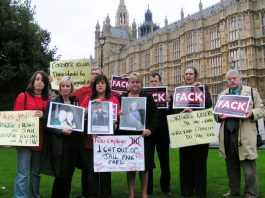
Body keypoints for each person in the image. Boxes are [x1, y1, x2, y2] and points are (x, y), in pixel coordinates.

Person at [216, 70, 265, 198]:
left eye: (234, 78)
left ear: (240, 79)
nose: (232, 81)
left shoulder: (251, 92)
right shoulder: (223, 94)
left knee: (249, 167)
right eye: (229, 79)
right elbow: (216, 114)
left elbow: (261, 109)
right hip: (228, 134)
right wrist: (219, 116)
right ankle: (234, 191)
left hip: (245, 133)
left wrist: (251, 113)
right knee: (231, 166)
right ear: (226, 81)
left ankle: (251, 193)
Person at [115, 72, 158, 198]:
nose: (134, 84)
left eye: (137, 82)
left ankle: (144, 193)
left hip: (143, 137)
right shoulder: (121, 99)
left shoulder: (148, 98)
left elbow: (155, 117)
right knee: (130, 167)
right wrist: (118, 114)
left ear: (141, 85)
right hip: (127, 136)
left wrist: (149, 129)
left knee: (144, 167)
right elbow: (114, 117)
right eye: (132, 82)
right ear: (128, 85)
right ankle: (131, 194)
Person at [80, 74, 120, 198]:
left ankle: (106, 194)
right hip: (91, 141)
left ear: (106, 85)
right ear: (95, 85)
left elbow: (116, 119)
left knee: (106, 170)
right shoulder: (88, 99)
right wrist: (90, 107)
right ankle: (93, 195)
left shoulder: (113, 99)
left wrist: (117, 117)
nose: (100, 85)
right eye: (98, 83)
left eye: (103, 83)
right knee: (92, 171)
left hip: (107, 141)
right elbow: (80, 113)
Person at [175, 66, 212, 198]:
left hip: (200, 130)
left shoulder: (203, 88)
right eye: (186, 74)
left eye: (191, 74)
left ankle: (200, 192)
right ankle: (186, 191)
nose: (188, 76)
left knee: (200, 163)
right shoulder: (179, 92)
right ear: (184, 77)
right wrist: (181, 111)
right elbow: (174, 111)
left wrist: (199, 89)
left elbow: (208, 103)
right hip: (184, 132)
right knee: (185, 163)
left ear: (195, 76)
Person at [42, 76, 82, 198]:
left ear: (71, 88)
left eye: (68, 86)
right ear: (59, 88)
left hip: (73, 143)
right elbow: (46, 124)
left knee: (69, 175)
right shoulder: (54, 102)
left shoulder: (76, 102)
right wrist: (61, 131)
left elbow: (78, 123)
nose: (65, 88)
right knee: (61, 175)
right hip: (60, 144)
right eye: (63, 86)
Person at [14, 71, 50, 198]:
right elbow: (16, 118)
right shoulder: (23, 96)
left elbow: (53, 119)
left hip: (40, 140)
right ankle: (19, 196)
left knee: (35, 173)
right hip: (25, 140)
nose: (40, 81)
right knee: (22, 172)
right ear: (33, 81)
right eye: (37, 79)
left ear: (46, 84)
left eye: (43, 80)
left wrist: (44, 115)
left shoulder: (49, 99)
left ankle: (35, 196)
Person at [73, 67, 103, 198]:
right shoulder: (83, 91)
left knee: (101, 167)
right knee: (86, 167)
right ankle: (86, 193)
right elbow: (67, 92)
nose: (95, 76)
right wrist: (54, 84)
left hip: (102, 137)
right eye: (93, 74)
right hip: (86, 135)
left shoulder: (107, 93)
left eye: (98, 74)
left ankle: (101, 192)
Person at [147, 72, 172, 196]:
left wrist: (170, 102)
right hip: (149, 133)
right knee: (148, 162)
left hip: (162, 133)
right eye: (151, 81)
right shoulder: (145, 96)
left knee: (164, 162)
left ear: (160, 83)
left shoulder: (166, 95)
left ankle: (166, 188)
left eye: (155, 81)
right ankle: (148, 188)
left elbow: (172, 113)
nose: (153, 83)